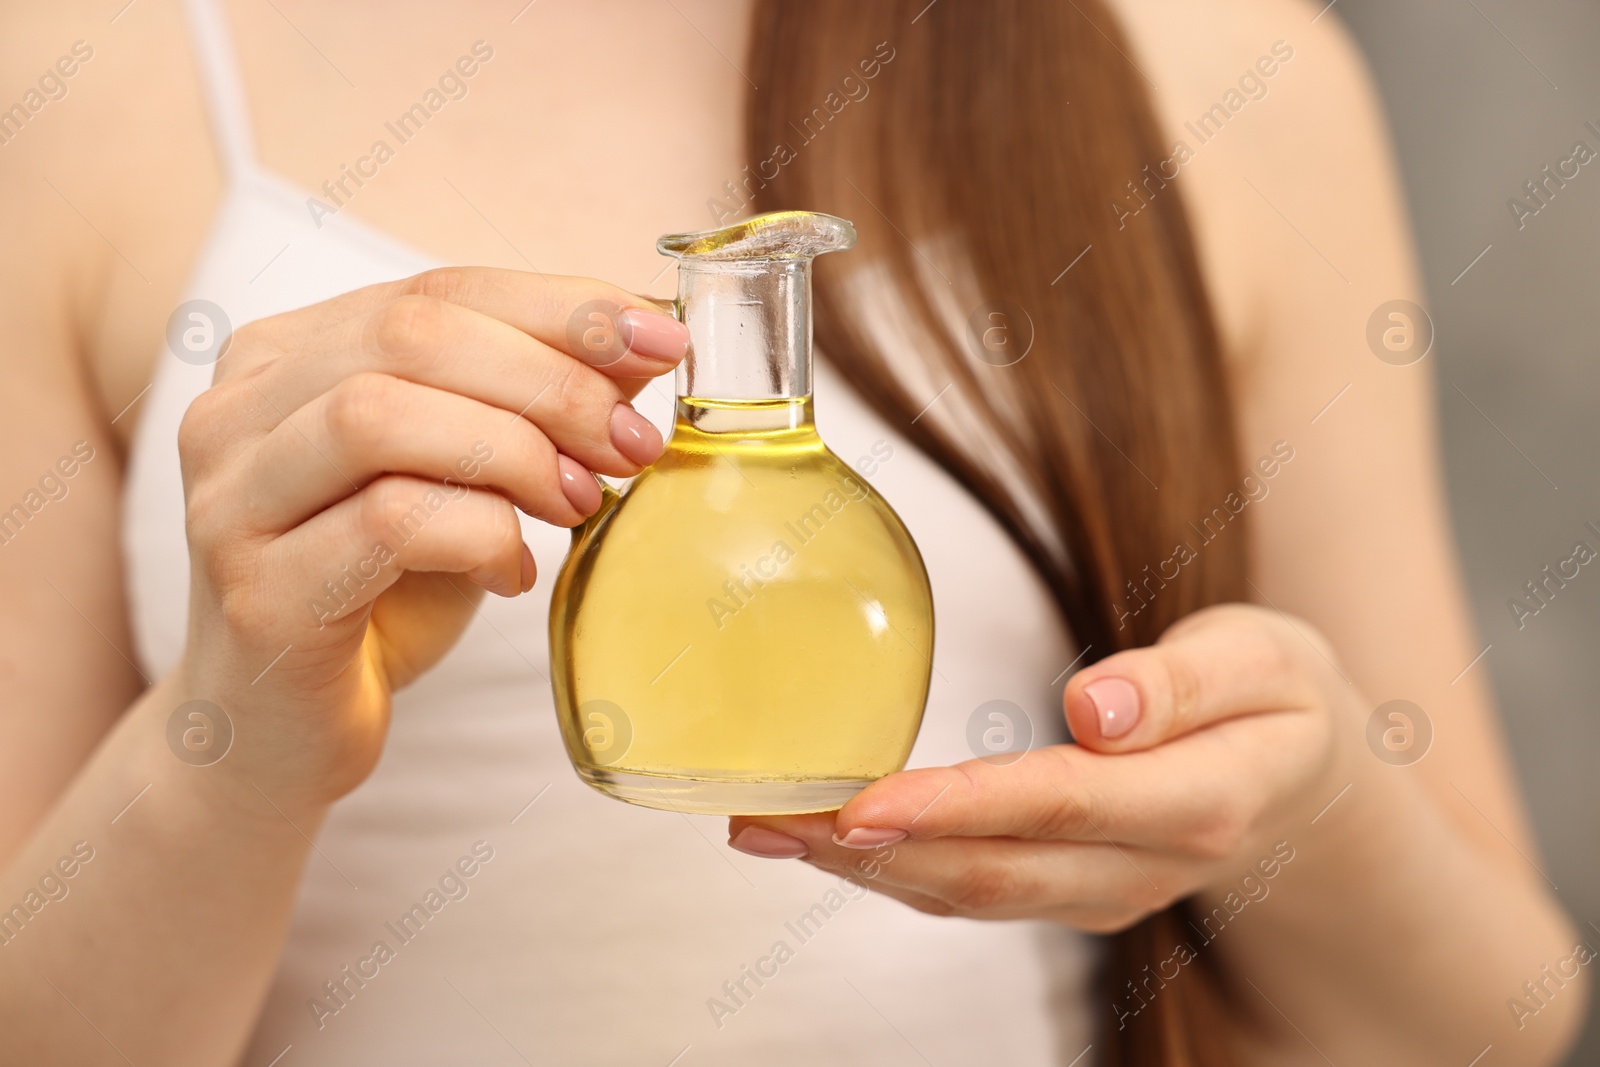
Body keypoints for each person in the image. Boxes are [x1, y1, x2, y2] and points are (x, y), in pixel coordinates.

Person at [0, 0, 1584, 1064]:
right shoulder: (77, 68)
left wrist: (1300, 810)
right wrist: (241, 732)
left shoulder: (1222, 66)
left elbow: (1502, 1021)